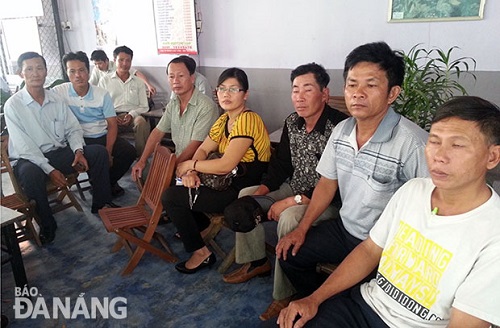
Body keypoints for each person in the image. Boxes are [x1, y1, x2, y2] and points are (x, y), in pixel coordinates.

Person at [271, 96, 500, 328]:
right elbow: (370, 250)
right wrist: (314, 298)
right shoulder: (414, 190)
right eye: (434, 141)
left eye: (457, 145)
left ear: (492, 157)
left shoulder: (493, 233)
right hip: (365, 305)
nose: (439, 156)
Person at [273, 41, 429, 315]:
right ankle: (318, 303)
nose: (358, 93)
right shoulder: (342, 131)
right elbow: (327, 183)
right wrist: (302, 227)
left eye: (370, 85)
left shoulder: (413, 144)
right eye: (352, 84)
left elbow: (430, 211)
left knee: (365, 304)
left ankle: (331, 304)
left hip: (385, 247)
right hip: (345, 230)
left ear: (393, 93)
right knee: (290, 255)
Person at [222, 63, 349, 321]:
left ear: (324, 94)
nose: (299, 97)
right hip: (293, 186)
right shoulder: (292, 122)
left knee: (290, 217)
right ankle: (257, 261)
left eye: (307, 89)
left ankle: (284, 293)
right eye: (294, 90)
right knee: (246, 197)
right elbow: (282, 165)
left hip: (326, 199)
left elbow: (339, 183)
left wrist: (292, 200)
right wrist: (263, 190)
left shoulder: (340, 128)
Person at [163, 68, 271, 274]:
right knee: (175, 183)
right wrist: (191, 173)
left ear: (245, 94)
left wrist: (190, 165)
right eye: (222, 89)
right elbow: (204, 149)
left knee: (171, 197)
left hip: (241, 187)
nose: (226, 94)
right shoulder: (223, 120)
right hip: (223, 181)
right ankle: (202, 226)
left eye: (233, 89)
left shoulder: (248, 119)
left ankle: (200, 253)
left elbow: (226, 165)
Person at [3, 52, 115, 245]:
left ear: (46, 71)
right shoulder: (13, 105)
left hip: (58, 152)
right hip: (29, 159)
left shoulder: (56, 99)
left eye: (39, 68)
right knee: (31, 174)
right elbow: (25, 147)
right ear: (21, 74)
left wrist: (78, 151)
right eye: (29, 69)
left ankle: (101, 203)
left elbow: (73, 129)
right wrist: (51, 170)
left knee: (97, 152)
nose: (35, 73)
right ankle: (47, 224)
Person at [53, 51, 136, 197]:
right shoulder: (59, 92)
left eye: (81, 70)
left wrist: (109, 151)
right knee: (97, 155)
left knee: (128, 151)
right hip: (77, 139)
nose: (78, 75)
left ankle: (105, 182)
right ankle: (102, 189)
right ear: (66, 73)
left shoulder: (101, 94)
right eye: (72, 71)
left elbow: (112, 125)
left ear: (89, 71)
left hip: (100, 134)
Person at [131, 56, 219, 182]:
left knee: (163, 185)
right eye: (171, 77)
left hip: (198, 165)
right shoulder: (173, 103)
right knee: (142, 172)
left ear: (192, 78)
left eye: (181, 76)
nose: (175, 81)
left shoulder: (206, 106)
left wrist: (171, 168)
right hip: (177, 159)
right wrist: (142, 160)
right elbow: (158, 132)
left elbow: (196, 144)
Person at [98, 45, 150, 156]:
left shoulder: (138, 82)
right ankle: (110, 156)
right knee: (102, 126)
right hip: (112, 116)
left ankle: (141, 158)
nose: (125, 64)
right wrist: (112, 116)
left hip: (132, 116)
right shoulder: (105, 81)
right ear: (114, 61)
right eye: (121, 60)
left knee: (141, 122)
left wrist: (131, 115)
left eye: (128, 60)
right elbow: (99, 104)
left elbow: (144, 106)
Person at [89, 49, 157, 97]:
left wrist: (148, 85)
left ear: (106, 61)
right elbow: (91, 84)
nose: (98, 66)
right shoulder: (96, 69)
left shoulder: (118, 66)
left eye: (100, 63)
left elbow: (136, 73)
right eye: (95, 64)